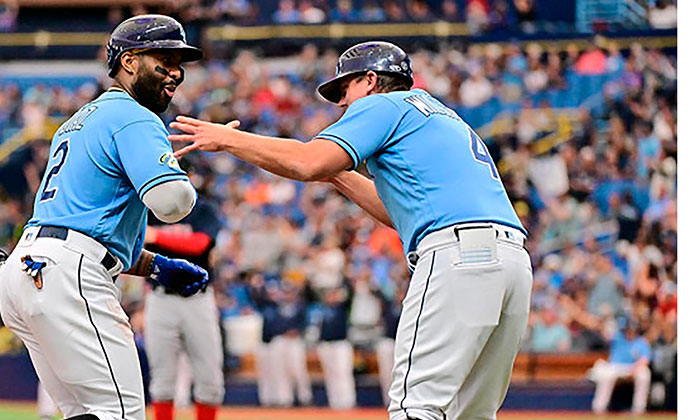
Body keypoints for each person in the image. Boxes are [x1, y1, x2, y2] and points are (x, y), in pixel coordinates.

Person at [169, 40, 533, 420]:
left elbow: (308, 162)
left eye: (345, 89)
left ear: (371, 80)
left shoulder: (382, 104)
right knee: (473, 413)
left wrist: (229, 139)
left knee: (416, 406)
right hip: (509, 262)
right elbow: (400, 214)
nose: (341, 102)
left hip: (456, 254)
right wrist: (337, 175)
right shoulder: (439, 115)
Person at [0, 15, 209, 420]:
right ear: (129, 61)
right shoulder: (135, 115)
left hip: (29, 269)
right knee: (120, 413)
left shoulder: (74, 122)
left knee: (85, 414)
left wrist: (154, 266)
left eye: (179, 62)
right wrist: (183, 177)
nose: (176, 72)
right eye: (164, 59)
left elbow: (82, 224)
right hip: (69, 273)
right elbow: (171, 202)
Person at [143, 159, 225, 420]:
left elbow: (200, 244)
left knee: (210, 378)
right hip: (160, 297)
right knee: (162, 379)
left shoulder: (203, 210)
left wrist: (157, 237)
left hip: (198, 299)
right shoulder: (151, 210)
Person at [590, 321, 652, 414]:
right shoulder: (618, 338)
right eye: (628, 330)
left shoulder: (641, 342)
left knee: (645, 374)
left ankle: (639, 409)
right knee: (606, 375)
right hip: (615, 366)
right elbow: (603, 332)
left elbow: (645, 360)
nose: (630, 332)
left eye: (633, 330)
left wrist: (634, 370)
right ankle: (598, 408)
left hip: (633, 367)